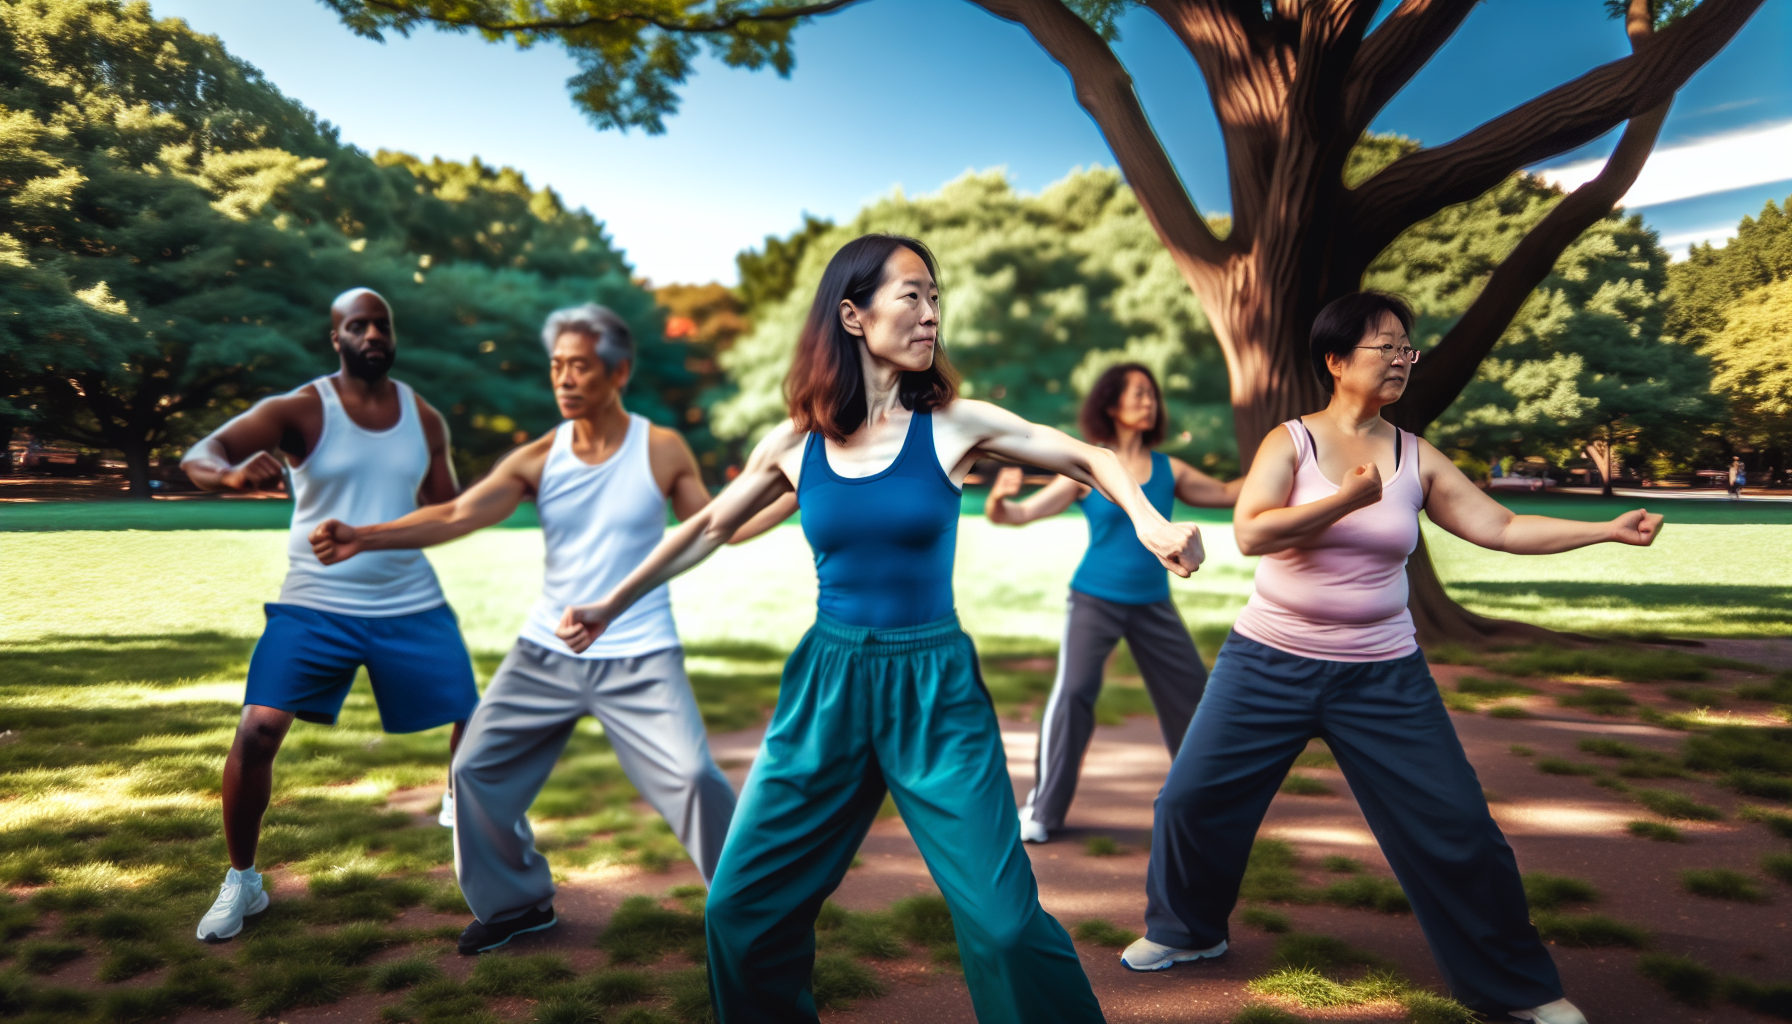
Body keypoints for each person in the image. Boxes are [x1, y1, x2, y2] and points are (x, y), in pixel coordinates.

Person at [555, 234, 1203, 1024]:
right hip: (827, 687)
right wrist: (608, 604)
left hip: (934, 688)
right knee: (738, 912)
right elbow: (707, 528)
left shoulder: (957, 425)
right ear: (854, 315)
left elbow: (1091, 457)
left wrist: (1148, 521)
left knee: (1002, 925)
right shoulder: (795, 443)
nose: (931, 314)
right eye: (913, 296)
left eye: (937, 298)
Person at [1122, 292, 1663, 1024]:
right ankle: (1185, 933)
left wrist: (1603, 531)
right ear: (1337, 361)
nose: (1404, 359)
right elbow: (1251, 533)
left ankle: (1516, 988)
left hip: (1383, 674)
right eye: (1387, 347)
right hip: (1267, 661)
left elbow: (1499, 526)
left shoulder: (1415, 455)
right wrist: (1341, 503)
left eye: (1409, 348)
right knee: (1192, 801)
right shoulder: (1292, 442)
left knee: (1459, 829)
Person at [310, 304, 739, 955]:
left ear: (618, 371)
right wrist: (363, 535)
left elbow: (707, 528)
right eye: (557, 367)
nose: (564, 380)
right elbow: (455, 513)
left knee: (695, 778)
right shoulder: (540, 457)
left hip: (639, 653)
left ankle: (751, 906)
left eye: (581, 367)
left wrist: (786, 492)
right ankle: (517, 904)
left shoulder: (661, 450)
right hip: (547, 651)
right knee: (476, 769)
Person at [180, 288, 478, 942]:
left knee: (476, 720)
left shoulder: (423, 418)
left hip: (408, 601)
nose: (373, 334)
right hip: (315, 602)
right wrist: (226, 478)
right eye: (357, 325)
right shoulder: (301, 409)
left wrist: (400, 528)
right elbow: (201, 453)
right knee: (257, 732)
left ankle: (468, 823)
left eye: (382, 324)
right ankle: (243, 881)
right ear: (336, 339)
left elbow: (447, 511)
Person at [985, 363, 1239, 844]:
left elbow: (1227, 492)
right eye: (1138, 393)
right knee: (1074, 692)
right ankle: (1043, 810)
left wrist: (1289, 468)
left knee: (1193, 698)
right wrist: (999, 502)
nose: (1150, 402)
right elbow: (1018, 515)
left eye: (1152, 394)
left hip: (1152, 603)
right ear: (1111, 404)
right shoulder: (1087, 470)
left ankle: (1206, 807)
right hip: (1094, 598)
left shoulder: (1170, 469)